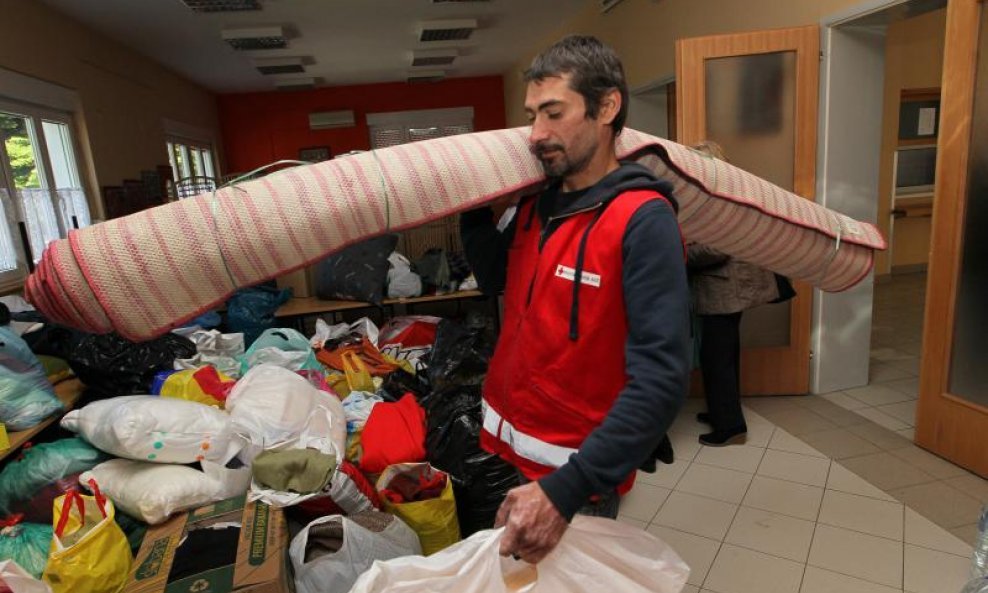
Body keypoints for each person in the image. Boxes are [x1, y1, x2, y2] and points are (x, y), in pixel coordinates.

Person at [460, 35, 691, 564]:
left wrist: (567, 490)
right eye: (531, 116)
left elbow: (662, 376)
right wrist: (471, 210)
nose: (536, 134)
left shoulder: (642, 220)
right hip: (503, 441)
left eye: (553, 113)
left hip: (574, 471)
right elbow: (496, 276)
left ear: (606, 106)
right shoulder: (537, 204)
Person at [687, 140, 785, 446]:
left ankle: (730, 427)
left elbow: (716, 248)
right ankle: (722, 412)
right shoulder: (729, 191)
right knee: (724, 355)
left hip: (725, 288)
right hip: (729, 286)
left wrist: (679, 252)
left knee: (718, 359)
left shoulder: (720, 198)